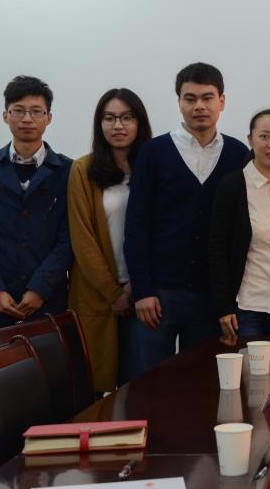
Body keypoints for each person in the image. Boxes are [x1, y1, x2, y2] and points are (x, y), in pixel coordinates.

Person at [124, 63, 249, 373]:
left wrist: (230, 298)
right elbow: (136, 226)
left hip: (212, 296)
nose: (199, 106)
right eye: (190, 98)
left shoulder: (238, 154)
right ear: (179, 102)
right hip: (160, 294)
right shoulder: (153, 152)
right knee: (151, 383)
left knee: (202, 382)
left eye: (207, 98)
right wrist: (143, 290)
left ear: (222, 101)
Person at [0, 75, 73, 332]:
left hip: (50, 303)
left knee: (51, 361)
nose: (27, 119)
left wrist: (41, 288)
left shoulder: (68, 172)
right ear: (5, 115)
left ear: (49, 117)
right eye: (19, 111)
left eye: (36, 111)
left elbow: (69, 238)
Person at [67, 88, 152, 390]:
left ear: (139, 122)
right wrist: (113, 293)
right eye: (109, 118)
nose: (118, 126)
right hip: (97, 294)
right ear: (99, 124)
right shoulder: (83, 170)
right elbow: (82, 239)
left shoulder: (154, 167)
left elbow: (161, 231)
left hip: (143, 292)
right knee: (95, 386)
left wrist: (133, 286)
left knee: (141, 387)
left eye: (127, 117)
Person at [208, 109, 270, 337]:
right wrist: (223, 307)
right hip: (246, 306)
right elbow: (217, 250)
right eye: (264, 136)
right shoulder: (232, 186)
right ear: (250, 140)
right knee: (251, 362)